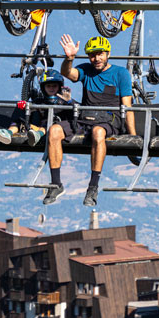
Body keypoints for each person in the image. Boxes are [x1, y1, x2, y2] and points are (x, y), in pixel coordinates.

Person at [43, 34, 136, 206]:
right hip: (84, 118)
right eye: (93, 55)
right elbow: (67, 73)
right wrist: (69, 58)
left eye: (100, 54)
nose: (97, 58)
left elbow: (127, 107)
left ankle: (93, 186)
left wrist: (133, 137)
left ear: (107, 53)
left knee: (98, 132)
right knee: (55, 130)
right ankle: (56, 183)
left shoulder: (120, 74)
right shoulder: (86, 70)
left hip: (108, 120)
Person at [0, 69, 74, 146]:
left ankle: (38, 135)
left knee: (51, 124)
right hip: (35, 127)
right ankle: (8, 132)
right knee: (20, 116)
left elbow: (76, 114)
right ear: (43, 87)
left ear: (59, 87)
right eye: (48, 86)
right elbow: (30, 111)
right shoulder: (39, 101)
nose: (51, 88)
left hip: (52, 128)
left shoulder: (64, 102)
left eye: (54, 86)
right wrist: (23, 107)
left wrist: (69, 101)